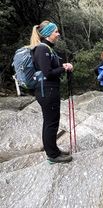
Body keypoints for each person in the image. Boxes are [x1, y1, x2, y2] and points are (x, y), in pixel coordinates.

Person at [31, 20, 73, 164]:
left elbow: (49, 68)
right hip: (47, 90)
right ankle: (52, 155)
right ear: (48, 33)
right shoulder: (42, 49)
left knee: (50, 122)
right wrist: (64, 68)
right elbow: (48, 72)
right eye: (56, 31)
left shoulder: (47, 48)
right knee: (51, 123)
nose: (58, 34)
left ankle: (53, 150)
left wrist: (62, 66)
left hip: (48, 90)